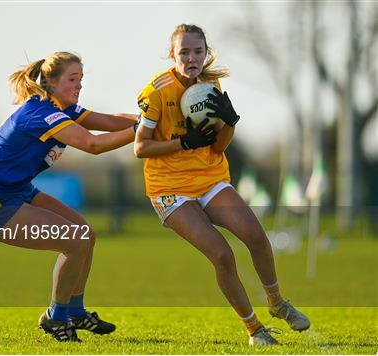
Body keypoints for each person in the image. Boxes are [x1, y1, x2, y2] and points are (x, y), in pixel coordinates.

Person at [133, 24, 310, 346]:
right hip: (169, 189)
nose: (191, 57)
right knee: (223, 255)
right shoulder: (155, 91)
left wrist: (230, 122)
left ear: (206, 53)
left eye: (197, 51)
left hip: (211, 177)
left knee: (256, 236)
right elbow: (140, 148)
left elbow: (217, 147)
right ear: (172, 55)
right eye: (183, 52)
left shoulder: (209, 84)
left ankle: (277, 303)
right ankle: (255, 330)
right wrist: (184, 143)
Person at [0, 51, 136, 342]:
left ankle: (74, 310)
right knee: (75, 241)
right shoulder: (41, 114)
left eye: (81, 79)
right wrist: (142, 129)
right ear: (51, 82)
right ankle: (56, 318)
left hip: (18, 191)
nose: (79, 85)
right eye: (73, 79)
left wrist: (152, 118)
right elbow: (93, 144)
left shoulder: (62, 108)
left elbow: (109, 121)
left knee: (87, 236)